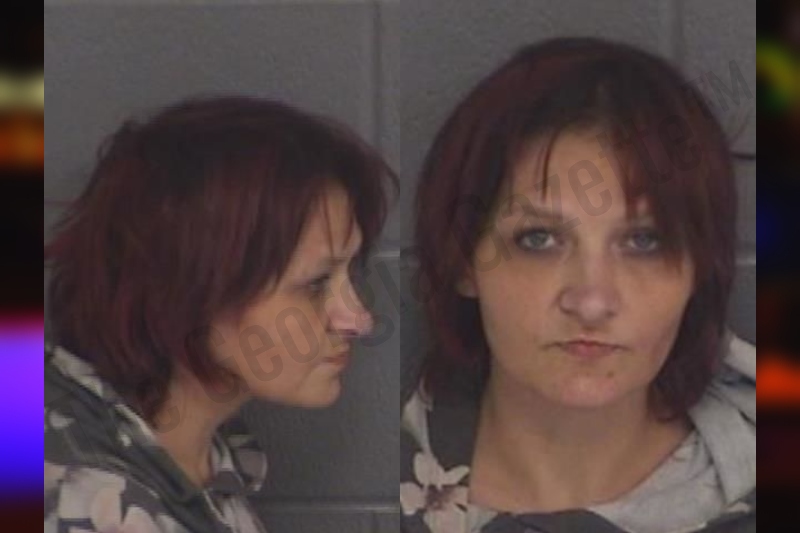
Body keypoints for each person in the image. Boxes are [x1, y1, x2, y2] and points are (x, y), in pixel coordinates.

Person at [400, 37, 755, 532]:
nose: (591, 301)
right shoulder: (383, 479)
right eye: (539, 239)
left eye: (645, 241)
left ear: (699, 267)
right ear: (462, 260)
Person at [44, 96, 397, 532]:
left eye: (350, 273)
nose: (358, 319)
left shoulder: (186, 459)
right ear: (187, 290)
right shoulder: (88, 505)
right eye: (315, 284)